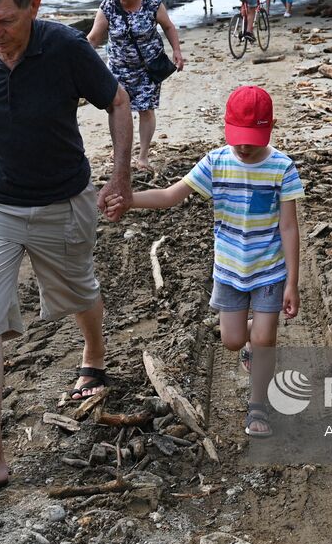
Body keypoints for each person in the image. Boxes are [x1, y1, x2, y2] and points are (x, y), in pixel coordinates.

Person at [0, 0, 134, 504]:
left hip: (60, 201)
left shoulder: (67, 47)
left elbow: (118, 101)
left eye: (5, 21)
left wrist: (120, 175)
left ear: (34, 6)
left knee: (79, 291)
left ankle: (93, 354)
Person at [114, 85, 301, 438]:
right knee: (232, 340)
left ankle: (258, 404)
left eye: (252, 140)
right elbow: (170, 195)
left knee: (265, 338)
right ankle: (251, 335)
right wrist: (129, 200)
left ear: (271, 128)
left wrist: (292, 281)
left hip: (269, 270)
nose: (244, 147)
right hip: (229, 270)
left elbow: (289, 227)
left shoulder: (282, 167)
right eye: (238, 138)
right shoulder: (216, 162)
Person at [88, 0, 186, 172]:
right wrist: (77, 59)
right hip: (118, 68)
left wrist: (177, 51)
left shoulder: (151, 1)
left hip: (148, 68)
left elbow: (168, 26)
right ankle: (121, 152)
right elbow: (94, 38)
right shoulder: (108, 6)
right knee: (116, 109)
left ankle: (143, 156)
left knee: (146, 109)